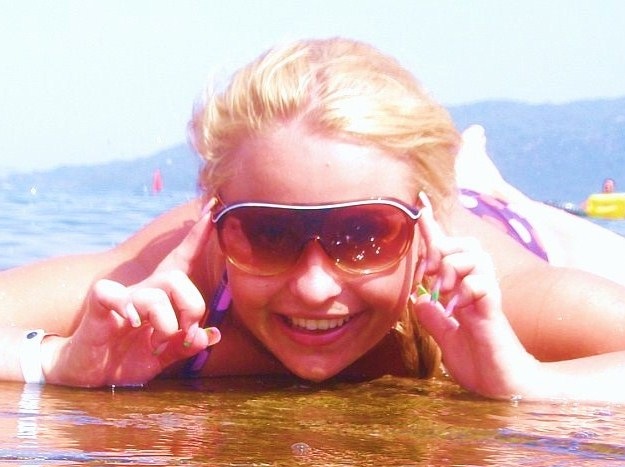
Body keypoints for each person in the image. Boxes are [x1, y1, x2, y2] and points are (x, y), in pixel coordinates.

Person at [2, 37, 625, 402]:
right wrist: (58, 362)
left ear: (419, 227)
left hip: (503, 222)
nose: (314, 285)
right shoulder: (172, 279)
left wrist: (527, 380)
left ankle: (484, 183)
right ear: (216, 215)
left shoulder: (490, 293)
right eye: (268, 232)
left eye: (366, 234)